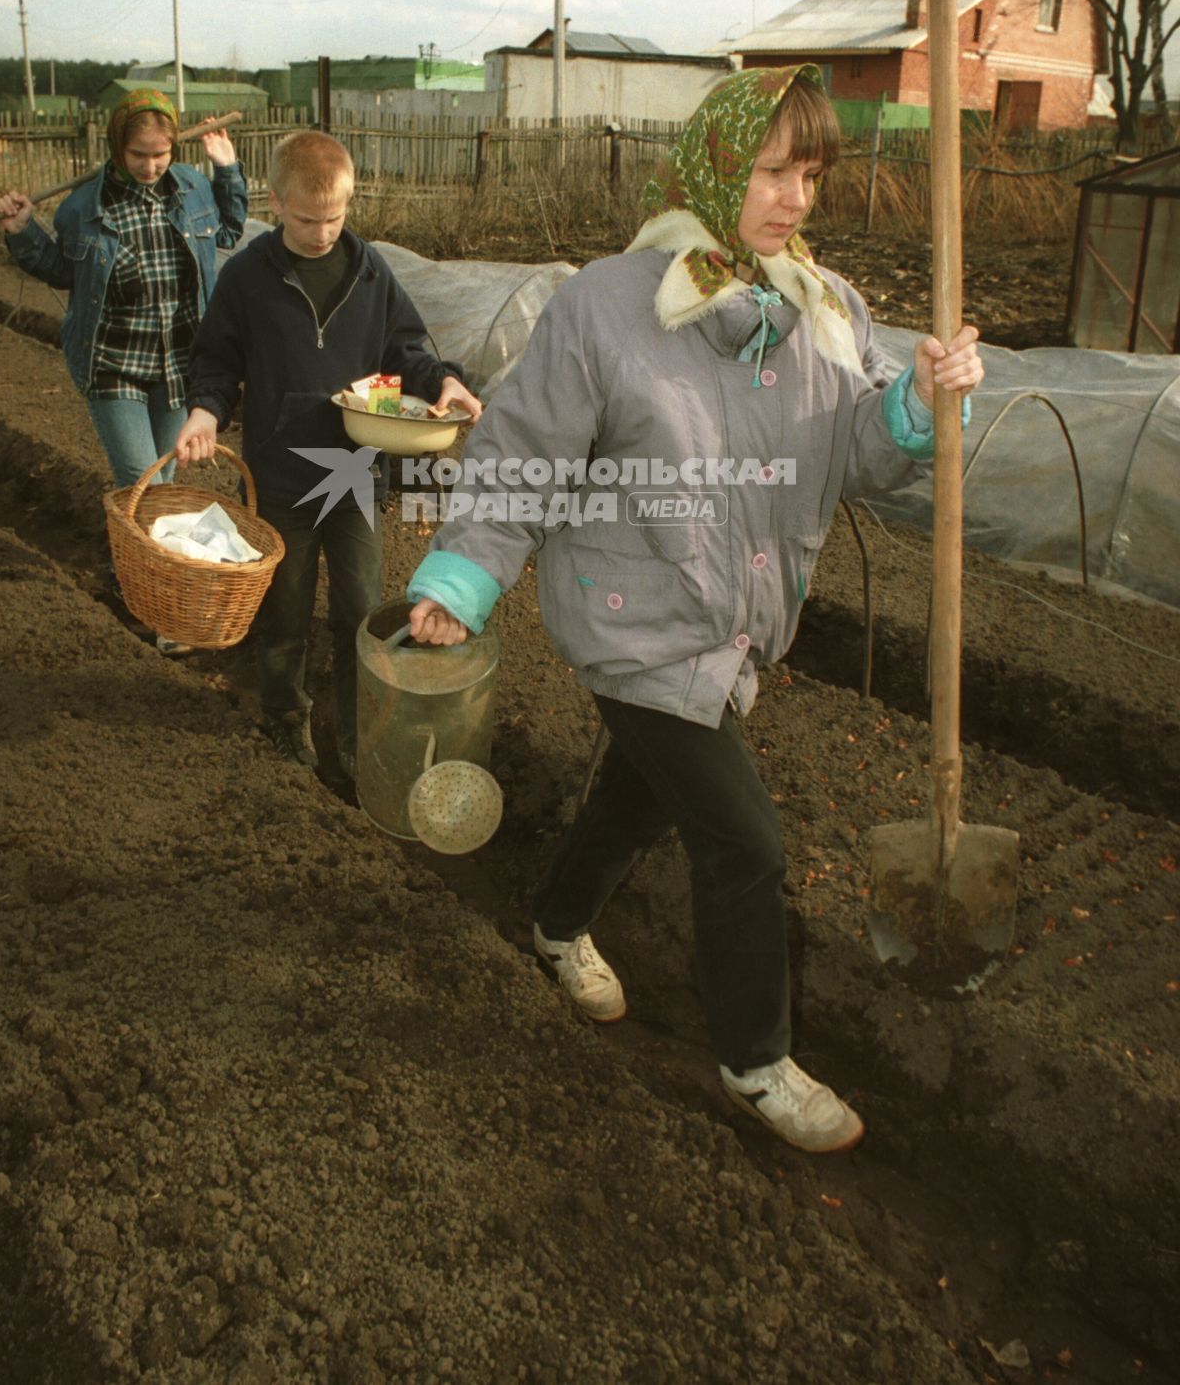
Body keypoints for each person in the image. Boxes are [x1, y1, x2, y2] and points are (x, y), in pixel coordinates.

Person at [405, 66, 984, 1156]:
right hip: (630, 616)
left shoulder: (823, 308)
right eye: (772, 171)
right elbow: (522, 449)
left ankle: (553, 919)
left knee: (637, 800)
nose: (794, 197)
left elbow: (856, 451)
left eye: (809, 173)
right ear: (720, 165)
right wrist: (459, 580)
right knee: (744, 842)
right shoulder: (609, 304)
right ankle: (754, 1060)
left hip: (732, 626)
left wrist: (914, 401)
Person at [175, 130, 481, 779]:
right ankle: (287, 717)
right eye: (307, 219)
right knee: (284, 609)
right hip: (278, 476)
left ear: (349, 203)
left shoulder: (369, 272)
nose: (321, 233)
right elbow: (215, 362)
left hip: (355, 475)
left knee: (359, 610)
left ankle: (355, 727)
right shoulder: (247, 279)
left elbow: (407, 352)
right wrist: (205, 415)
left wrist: (445, 381)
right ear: (276, 202)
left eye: (334, 218)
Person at [0, 88, 248, 489]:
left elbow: (229, 231)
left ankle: (135, 554)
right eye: (138, 154)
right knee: (142, 483)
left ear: (173, 148)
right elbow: (63, 271)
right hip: (114, 362)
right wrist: (23, 231)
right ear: (117, 147)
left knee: (162, 476)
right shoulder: (84, 207)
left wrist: (227, 170)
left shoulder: (193, 189)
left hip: (178, 364)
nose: (150, 166)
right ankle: (142, 552)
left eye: (160, 155)